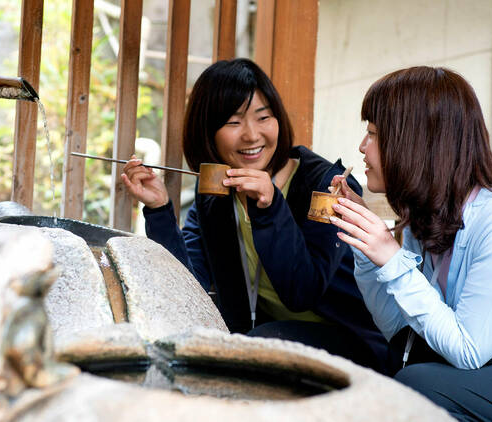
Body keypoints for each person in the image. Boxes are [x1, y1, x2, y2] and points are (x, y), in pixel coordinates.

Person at [330, 66, 492, 420]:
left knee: (418, 384)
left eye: (373, 133)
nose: (362, 146)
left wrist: (391, 258)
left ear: (414, 144)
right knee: (386, 364)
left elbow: (468, 350)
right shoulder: (431, 214)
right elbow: (400, 332)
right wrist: (368, 252)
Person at [120, 58, 392, 373]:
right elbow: (189, 287)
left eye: (263, 117)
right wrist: (159, 209)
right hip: (264, 336)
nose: (251, 135)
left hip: (353, 344)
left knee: (254, 348)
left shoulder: (327, 187)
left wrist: (270, 206)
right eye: (234, 123)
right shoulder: (217, 193)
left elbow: (302, 291)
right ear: (207, 132)